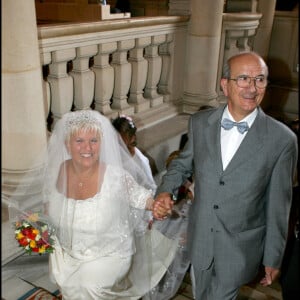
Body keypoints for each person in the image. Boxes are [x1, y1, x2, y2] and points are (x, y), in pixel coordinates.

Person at [154, 52, 298, 300]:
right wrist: (166, 190)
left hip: (240, 248)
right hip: (200, 239)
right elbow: (182, 164)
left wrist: (273, 257)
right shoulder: (200, 123)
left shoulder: (282, 140)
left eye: (260, 79)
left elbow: (278, 206)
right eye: (243, 78)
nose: (252, 88)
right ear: (224, 85)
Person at [11, 110, 178, 300]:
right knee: (69, 287)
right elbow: (49, 204)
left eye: (94, 140)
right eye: (79, 141)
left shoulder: (115, 176)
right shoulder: (58, 171)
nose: (87, 148)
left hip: (109, 253)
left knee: (90, 288)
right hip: (67, 253)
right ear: (67, 144)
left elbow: (142, 198)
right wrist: (38, 228)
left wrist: (156, 206)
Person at [112, 114, 157, 194]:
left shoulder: (139, 156)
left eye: (133, 134)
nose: (133, 137)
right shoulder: (114, 155)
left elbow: (147, 181)